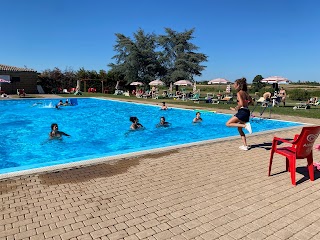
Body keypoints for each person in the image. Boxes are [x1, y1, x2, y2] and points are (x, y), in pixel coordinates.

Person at [226, 77, 252, 151]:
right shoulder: (246, 93)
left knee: (228, 123)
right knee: (239, 129)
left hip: (242, 111)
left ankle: (245, 125)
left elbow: (240, 103)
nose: (233, 85)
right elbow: (251, 102)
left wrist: (236, 108)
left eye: (235, 84)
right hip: (247, 111)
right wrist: (246, 105)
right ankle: (245, 145)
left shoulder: (239, 93)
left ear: (238, 85)